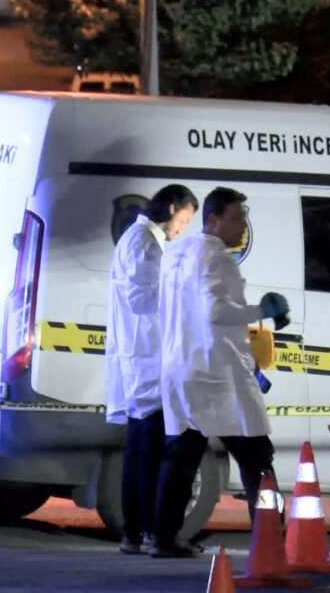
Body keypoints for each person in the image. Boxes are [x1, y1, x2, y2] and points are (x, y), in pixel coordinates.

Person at [152, 186, 289, 558]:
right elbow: (217, 312)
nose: (243, 224)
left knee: (181, 458)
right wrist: (261, 311)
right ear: (213, 219)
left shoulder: (176, 252)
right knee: (257, 460)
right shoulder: (217, 257)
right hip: (218, 375)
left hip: (180, 369)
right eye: (236, 217)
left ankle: (163, 538)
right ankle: (272, 541)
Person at [104, 183, 199, 555]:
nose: (182, 229)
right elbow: (143, 299)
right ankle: (145, 530)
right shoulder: (145, 242)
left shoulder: (137, 239)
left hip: (141, 359)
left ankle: (134, 532)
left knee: (139, 451)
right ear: (172, 208)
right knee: (150, 451)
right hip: (149, 360)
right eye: (184, 220)